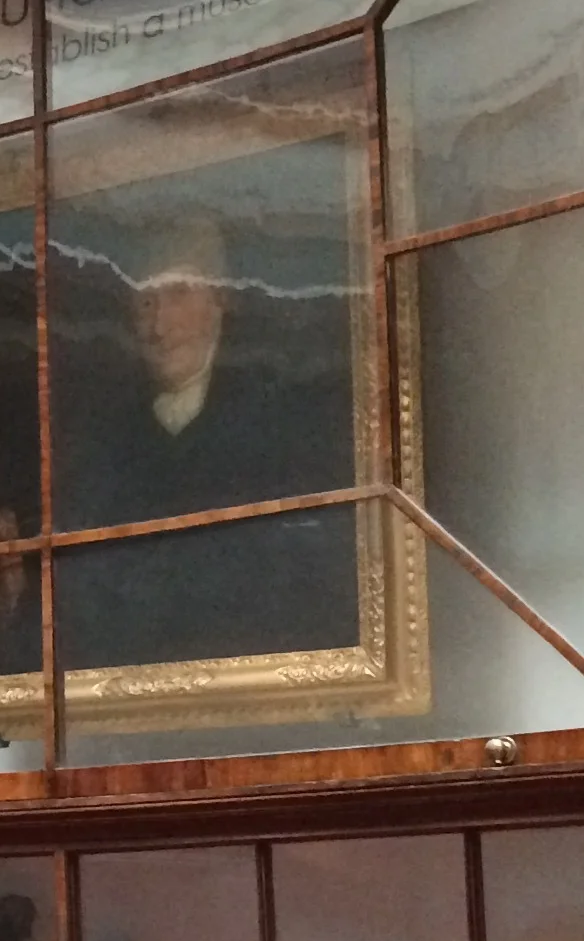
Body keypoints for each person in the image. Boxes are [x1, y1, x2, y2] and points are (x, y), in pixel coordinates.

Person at [27, 202, 361, 674]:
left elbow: (311, 570)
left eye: (178, 294)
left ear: (221, 298)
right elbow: (78, 586)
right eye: (145, 301)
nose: (159, 326)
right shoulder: (101, 441)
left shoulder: (286, 420)